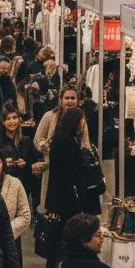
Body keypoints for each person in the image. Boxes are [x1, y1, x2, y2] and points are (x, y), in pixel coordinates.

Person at [43, 106, 91, 268]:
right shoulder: (66, 141)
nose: (83, 124)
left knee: (59, 236)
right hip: (66, 197)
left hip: (59, 196)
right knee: (63, 236)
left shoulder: (61, 138)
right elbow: (71, 171)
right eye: (81, 121)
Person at [35, 84, 90, 217]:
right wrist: (46, 146)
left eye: (73, 98)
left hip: (72, 171)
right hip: (52, 168)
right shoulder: (49, 116)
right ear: (60, 100)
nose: (70, 101)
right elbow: (38, 138)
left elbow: (85, 142)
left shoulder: (80, 119)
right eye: (67, 98)